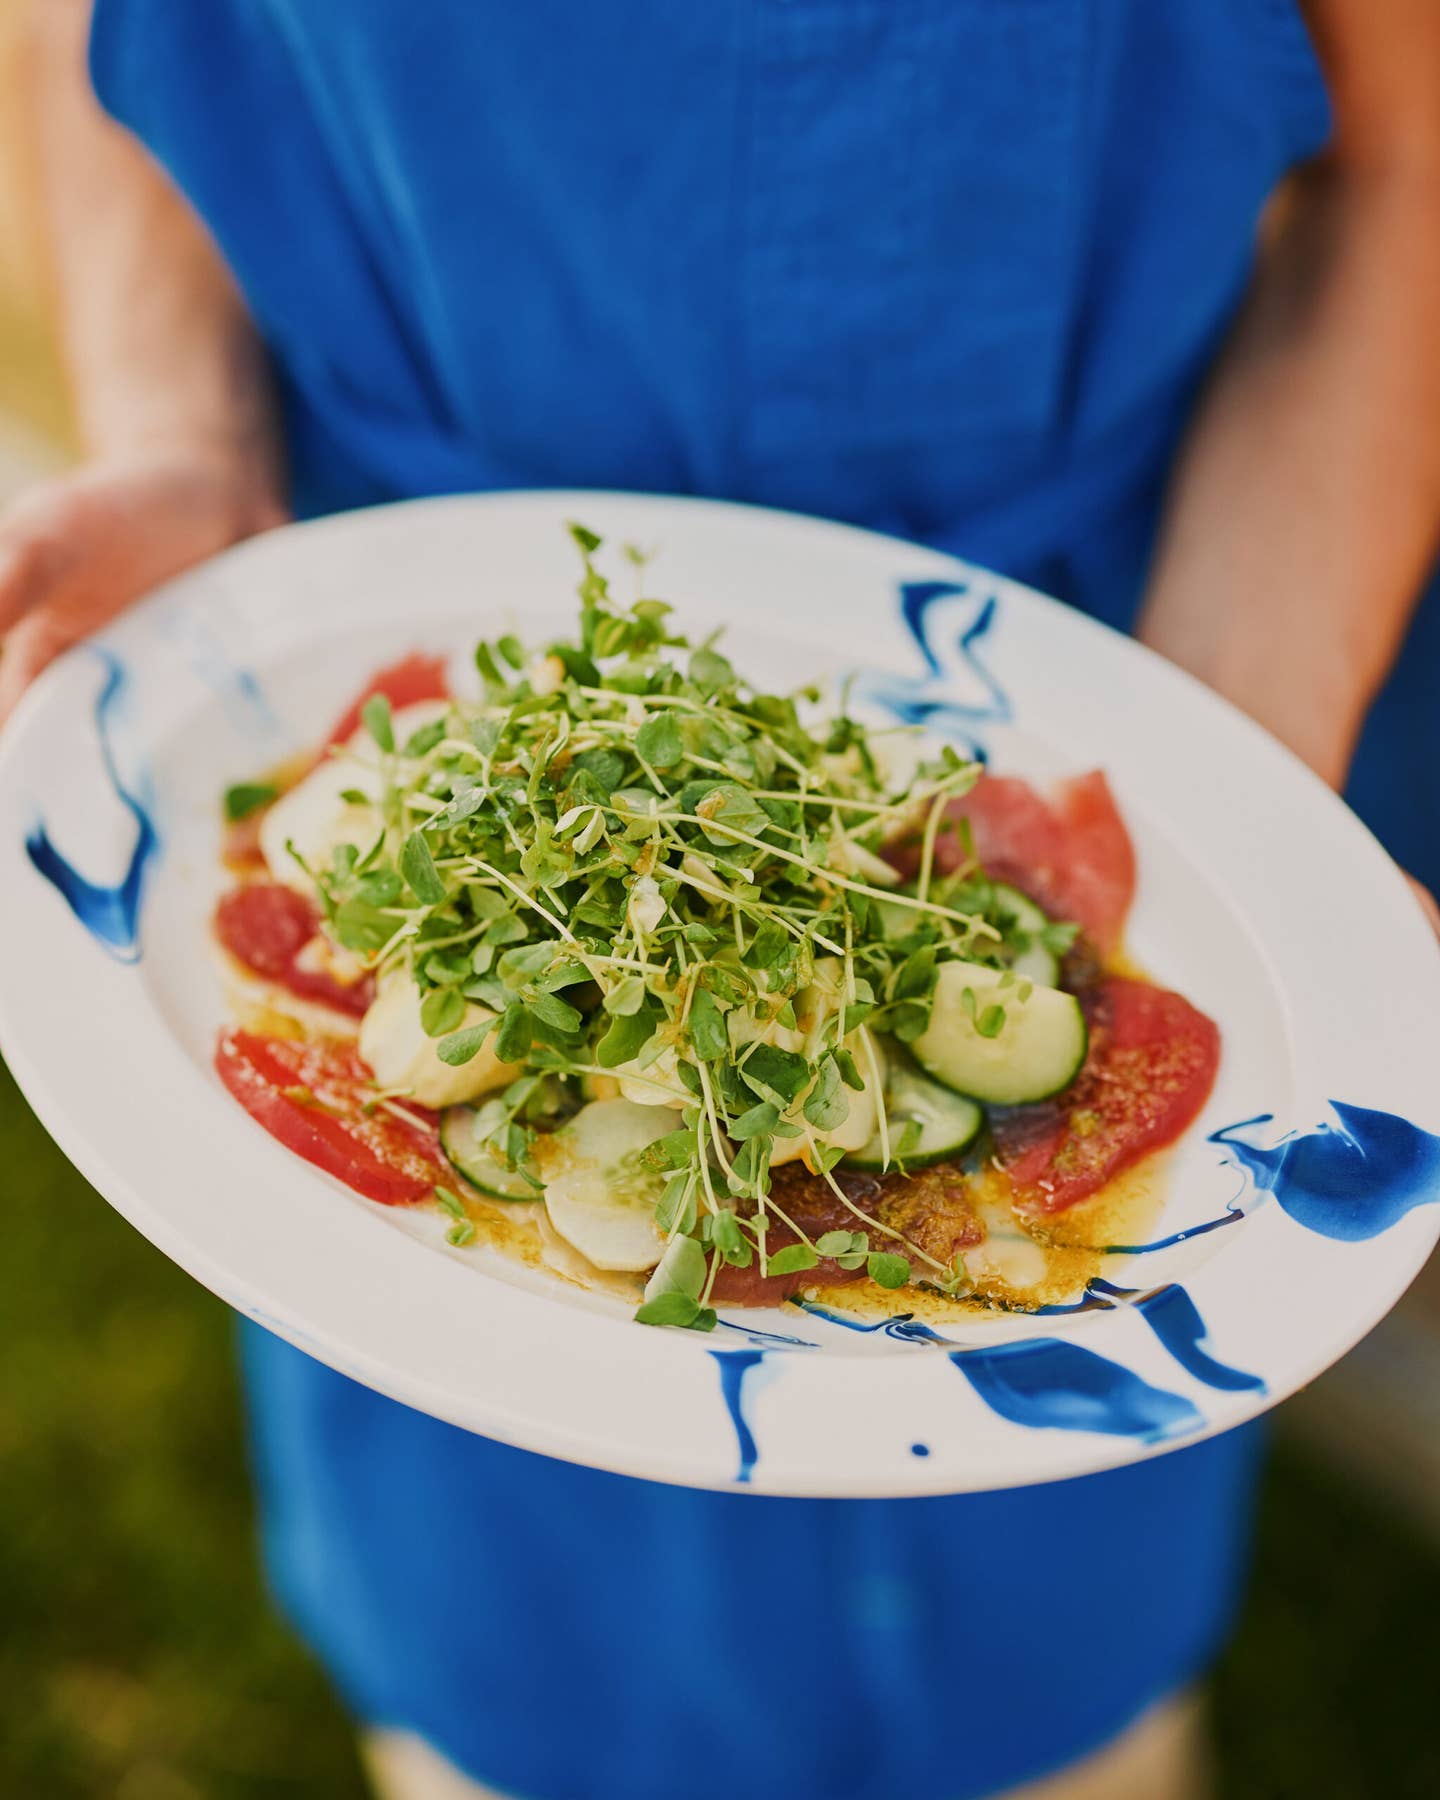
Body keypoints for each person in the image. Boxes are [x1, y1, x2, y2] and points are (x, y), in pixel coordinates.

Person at [4, 4, 1439, 1797]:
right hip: (417, 694)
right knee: (515, 1672)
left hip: (1097, 669)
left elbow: (1404, 160)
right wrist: (191, 437)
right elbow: (110, 42)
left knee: (1057, 1705)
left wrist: (1220, 778)